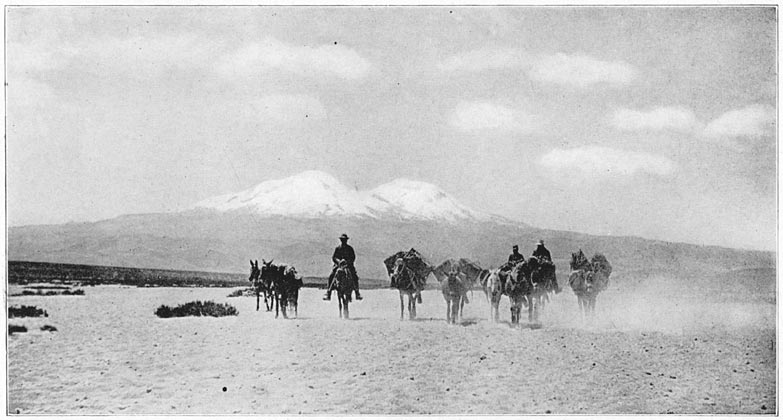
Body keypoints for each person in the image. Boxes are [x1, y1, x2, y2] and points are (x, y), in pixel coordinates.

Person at [323, 234, 362, 301]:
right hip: (339, 265)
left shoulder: (350, 248)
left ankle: (357, 292)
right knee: (332, 275)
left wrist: (347, 261)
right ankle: (328, 292)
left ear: (346, 240)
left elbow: (353, 257)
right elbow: (334, 257)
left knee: (354, 276)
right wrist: (339, 261)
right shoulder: (338, 248)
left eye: (345, 240)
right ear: (340, 240)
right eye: (342, 240)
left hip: (348, 265)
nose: (343, 241)